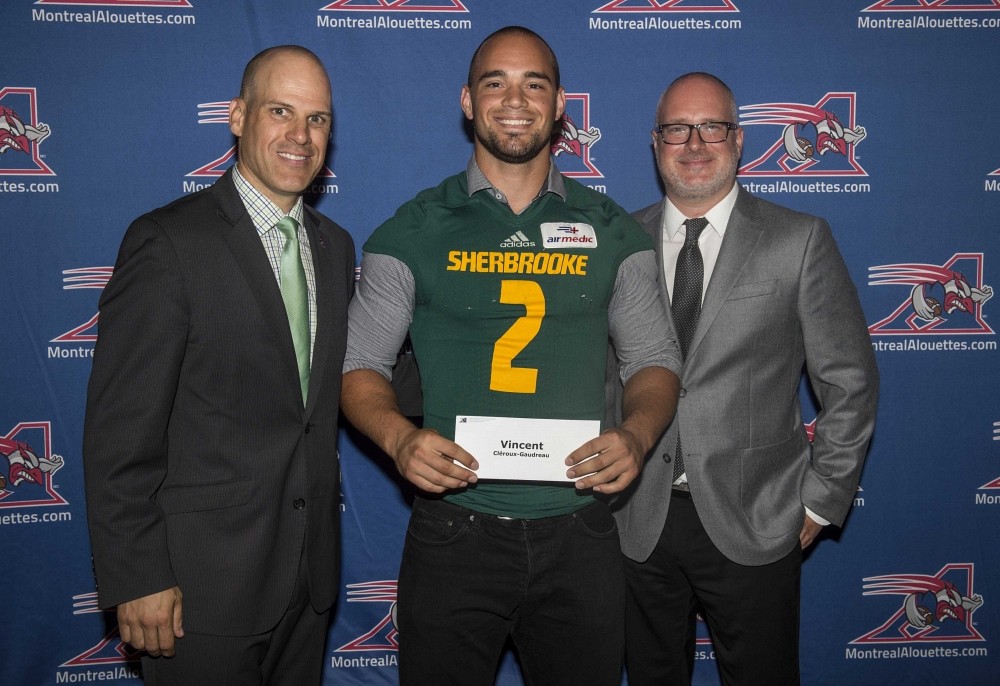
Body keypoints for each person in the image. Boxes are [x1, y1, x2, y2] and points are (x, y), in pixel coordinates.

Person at [341, 26, 681, 686]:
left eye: (535, 84)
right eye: (495, 82)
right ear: (468, 101)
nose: (515, 99)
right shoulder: (409, 231)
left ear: (560, 106)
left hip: (580, 531)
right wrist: (399, 438)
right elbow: (359, 366)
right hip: (452, 536)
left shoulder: (614, 234)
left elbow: (655, 360)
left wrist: (638, 437)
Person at [83, 45, 354, 685]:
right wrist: (140, 575)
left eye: (317, 120)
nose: (300, 136)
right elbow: (120, 432)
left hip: (307, 584)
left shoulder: (335, 247)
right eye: (280, 111)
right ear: (237, 115)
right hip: (196, 593)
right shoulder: (168, 243)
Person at [611, 72, 879, 685]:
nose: (695, 143)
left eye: (713, 127)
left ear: (739, 140)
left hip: (757, 514)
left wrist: (822, 495)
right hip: (636, 516)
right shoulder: (618, 240)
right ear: (656, 143)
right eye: (679, 128)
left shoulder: (799, 239)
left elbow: (850, 379)